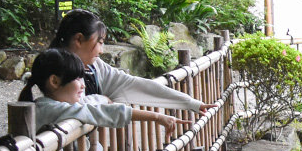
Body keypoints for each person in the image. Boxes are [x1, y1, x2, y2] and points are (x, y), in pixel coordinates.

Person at [49, 8, 213, 113]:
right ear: (79, 39)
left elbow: (136, 85)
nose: (102, 50)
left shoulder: (95, 67)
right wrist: (103, 100)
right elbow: (73, 107)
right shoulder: (53, 68)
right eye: (99, 42)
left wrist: (189, 102)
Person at [18, 49, 189, 134]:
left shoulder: (53, 105)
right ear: (54, 81)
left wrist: (103, 98)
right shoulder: (49, 109)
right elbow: (97, 111)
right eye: (77, 79)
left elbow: (91, 102)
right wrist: (157, 117)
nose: (83, 85)